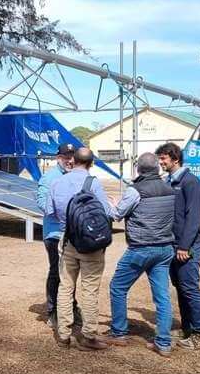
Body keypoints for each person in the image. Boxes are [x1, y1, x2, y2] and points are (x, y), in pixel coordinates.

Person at [103, 153, 177, 357]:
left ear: (138, 169)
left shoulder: (135, 190)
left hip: (141, 248)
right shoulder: (169, 189)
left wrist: (112, 204)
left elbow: (116, 215)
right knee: (162, 296)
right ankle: (163, 342)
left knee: (118, 287)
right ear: (157, 168)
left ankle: (118, 332)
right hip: (165, 248)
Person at [46, 147, 113, 351]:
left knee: (65, 287)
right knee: (90, 289)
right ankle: (88, 336)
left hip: (67, 241)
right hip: (91, 244)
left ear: (72, 161)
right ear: (91, 164)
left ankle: (63, 335)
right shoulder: (94, 183)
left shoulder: (57, 182)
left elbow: (50, 212)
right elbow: (107, 213)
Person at [155, 142, 200, 350]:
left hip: (188, 244)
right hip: (173, 243)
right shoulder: (169, 182)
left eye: (163, 158)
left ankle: (199, 333)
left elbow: (194, 217)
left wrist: (184, 246)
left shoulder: (191, 182)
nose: (161, 162)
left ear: (175, 159)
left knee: (189, 286)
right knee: (180, 285)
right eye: (159, 159)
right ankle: (187, 327)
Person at [36, 144, 76, 330]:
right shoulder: (49, 177)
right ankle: (53, 312)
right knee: (56, 272)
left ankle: (71, 308)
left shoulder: (75, 176)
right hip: (55, 234)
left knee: (71, 273)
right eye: (66, 157)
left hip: (72, 233)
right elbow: (41, 203)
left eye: (72, 157)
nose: (70, 160)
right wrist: (64, 212)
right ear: (58, 158)